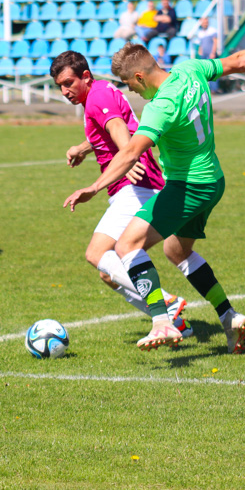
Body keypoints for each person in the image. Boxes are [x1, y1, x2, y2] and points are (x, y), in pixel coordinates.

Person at [63, 36, 245, 351]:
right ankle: (229, 317)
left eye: (130, 85)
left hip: (187, 185)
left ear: (140, 76)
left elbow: (129, 154)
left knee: (128, 245)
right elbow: (237, 61)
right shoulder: (190, 70)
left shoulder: (160, 106)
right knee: (176, 251)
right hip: (214, 181)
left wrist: (93, 187)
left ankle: (161, 322)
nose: (132, 92)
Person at [51, 51, 192, 337]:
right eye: (60, 86)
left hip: (135, 185)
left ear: (86, 76)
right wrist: (84, 147)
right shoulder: (98, 94)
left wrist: (128, 162)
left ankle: (165, 303)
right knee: (108, 272)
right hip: (134, 185)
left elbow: (119, 130)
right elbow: (116, 127)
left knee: (97, 253)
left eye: (69, 83)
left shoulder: (98, 96)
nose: (65, 91)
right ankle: (175, 324)